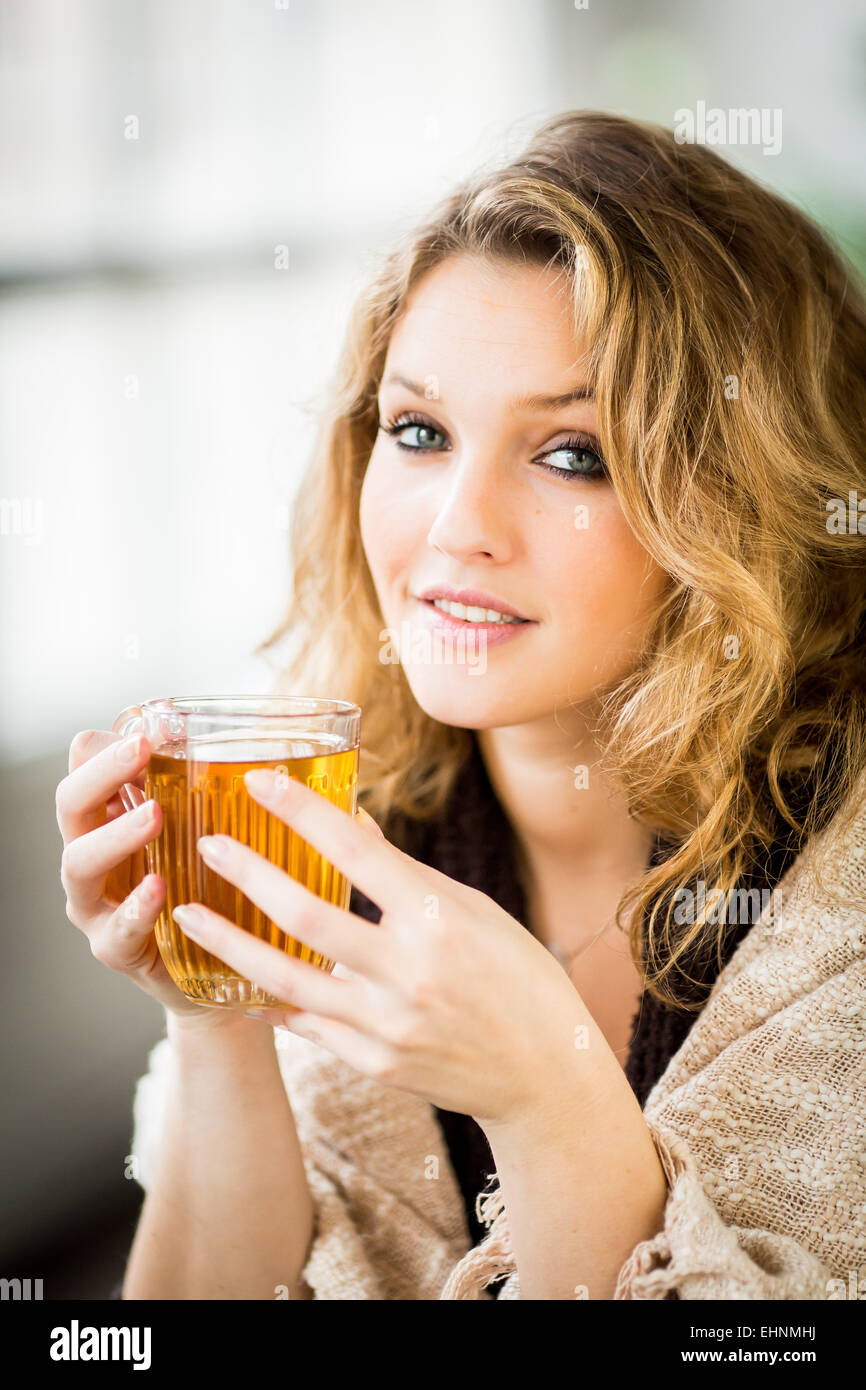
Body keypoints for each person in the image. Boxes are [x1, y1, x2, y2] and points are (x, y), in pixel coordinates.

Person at [56, 110, 866, 1301]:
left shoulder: (831, 905)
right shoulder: (333, 826)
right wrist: (219, 1011)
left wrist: (545, 1093)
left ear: (739, 502)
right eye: (420, 431)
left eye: (572, 453)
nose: (455, 528)